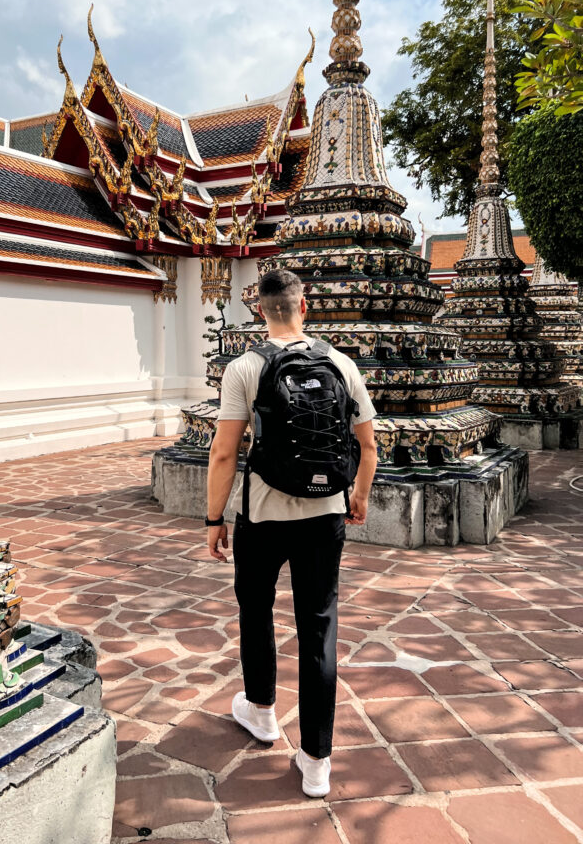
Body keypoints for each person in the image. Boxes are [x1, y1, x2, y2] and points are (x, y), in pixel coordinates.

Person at [205, 268, 377, 798]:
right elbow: (369, 447)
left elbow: (224, 452)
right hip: (325, 516)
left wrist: (214, 519)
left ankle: (261, 712)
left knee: (256, 610)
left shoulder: (246, 367)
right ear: (306, 307)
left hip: (263, 515)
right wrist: (359, 497)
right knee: (318, 628)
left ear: (260, 310)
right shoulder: (341, 364)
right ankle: (317, 760)